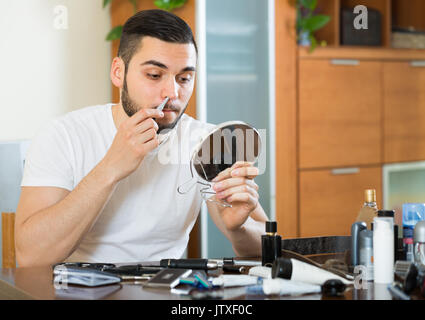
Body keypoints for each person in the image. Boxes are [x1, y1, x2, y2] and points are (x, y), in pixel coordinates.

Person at [15, 9, 268, 267]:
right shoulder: (64, 135)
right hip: (74, 291)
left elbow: (267, 250)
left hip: (166, 292)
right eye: (154, 75)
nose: (172, 92)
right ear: (118, 73)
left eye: (184, 78)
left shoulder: (208, 143)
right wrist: (110, 168)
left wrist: (240, 227)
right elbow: (30, 257)